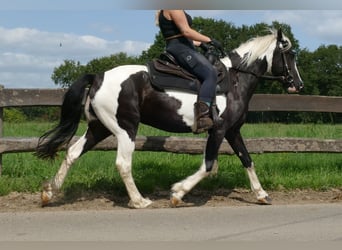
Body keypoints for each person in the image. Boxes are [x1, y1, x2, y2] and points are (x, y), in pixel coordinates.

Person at [156, 10, 223, 134]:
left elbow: (180, 35)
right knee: (210, 74)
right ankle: (202, 117)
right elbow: (186, 31)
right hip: (181, 49)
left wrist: (201, 44)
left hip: (183, 46)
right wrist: (210, 40)